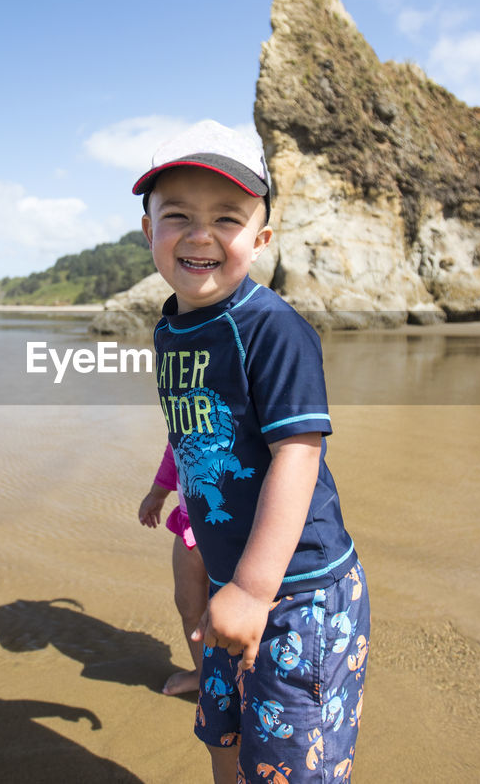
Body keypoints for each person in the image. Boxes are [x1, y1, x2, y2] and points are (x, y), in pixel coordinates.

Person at [135, 120, 369, 783]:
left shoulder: (273, 329)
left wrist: (252, 586)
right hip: (226, 582)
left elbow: (299, 451)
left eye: (227, 218)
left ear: (260, 240)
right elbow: (195, 426)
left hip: (296, 590)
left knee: (287, 766)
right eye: (177, 214)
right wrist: (165, 488)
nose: (200, 233)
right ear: (147, 228)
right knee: (225, 737)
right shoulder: (173, 327)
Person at [137, 443, 209, 696]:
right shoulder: (186, 406)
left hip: (236, 532)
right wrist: (157, 494)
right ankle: (203, 673)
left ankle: (245, 682)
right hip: (189, 524)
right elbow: (176, 447)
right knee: (189, 604)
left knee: (227, 613)